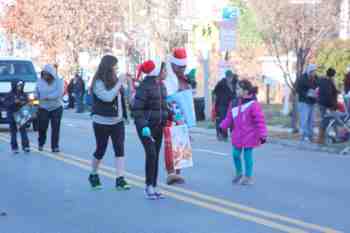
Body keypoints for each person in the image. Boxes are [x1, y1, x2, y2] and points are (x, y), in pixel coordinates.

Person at [88, 55, 130, 191]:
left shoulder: (115, 79)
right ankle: (93, 174)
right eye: (115, 66)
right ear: (108, 67)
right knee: (101, 149)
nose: (116, 69)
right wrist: (119, 83)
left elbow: (121, 98)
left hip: (117, 121)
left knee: (120, 148)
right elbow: (107, 97)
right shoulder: (97, 82)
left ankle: (120, 178)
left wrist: (125, 115)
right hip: (101, 121)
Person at [132, 60, 169, 200]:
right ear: (157, 72)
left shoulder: (162, 86)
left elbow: (162, 107)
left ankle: (153, 185)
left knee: (156, 155)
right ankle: (148, 187)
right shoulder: (145, 86)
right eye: (164, 70)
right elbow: (137, 110)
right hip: (146, 127)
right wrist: (143, 126)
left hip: (159, 126)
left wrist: (173, 115)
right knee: (151, 154)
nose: (166, 73)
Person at [220, 79, 267, 185]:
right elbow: (229, 118)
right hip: (237, 135)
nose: (236, 90)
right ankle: (239, 173)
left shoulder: (253, 104)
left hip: (250, 135)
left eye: (238, 88)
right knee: (235, 154)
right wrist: (222, 126)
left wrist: (263, 134)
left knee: (247, 156)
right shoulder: (233, 103)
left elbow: (260, 120)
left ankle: (248, 177)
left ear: (245, 91)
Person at [162, 47, 196, 185]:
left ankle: (178, 173)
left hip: (181, 116)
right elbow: (166, 96)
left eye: (184, 66)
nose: (182, 69)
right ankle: (171, 173)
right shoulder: (167, 76)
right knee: (170, 143)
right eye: (179, 66)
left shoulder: (183, 78)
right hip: (169, 115)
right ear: (173, 64)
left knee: (181, 143)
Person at [36, 64, 64, 153]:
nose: (45, 76)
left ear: (51, 74)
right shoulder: (39, 81)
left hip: (56, 107)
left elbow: (59, 93)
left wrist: (48, 97)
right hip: (43, 108)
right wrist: (35, 100)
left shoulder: (58, 81)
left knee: (55, 128)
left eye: (46, 74)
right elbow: (36, 92)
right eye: (43, 74)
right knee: (42, 127)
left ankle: (55, 146)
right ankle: (41, 143)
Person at [5, 80, 30, 154]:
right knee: (13, 132)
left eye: (21, 85)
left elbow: (28, 102)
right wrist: (14, 102)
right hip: (12, 114)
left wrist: (23, 103)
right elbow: (6, 104)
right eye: (18, 85)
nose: (20, 87)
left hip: (21, 114)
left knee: (23, 131)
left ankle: (26, 146)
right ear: (14, 86)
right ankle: (14, 148)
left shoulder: (23, 94)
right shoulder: (9, 95)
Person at [213, 70, 238, 141]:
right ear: (226, 77)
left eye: (231, 77)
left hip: (232, 104)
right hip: (222, 104)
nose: (230, 78)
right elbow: (214, 93)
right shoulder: (221, 83)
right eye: (229, 77)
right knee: (223, 119)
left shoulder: (235, 83)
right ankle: (223, 135)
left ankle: (233, 134)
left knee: (233, 119)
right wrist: (214, 104)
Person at [296, 64, 319, 142]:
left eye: (315, 71)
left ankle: (310, 135)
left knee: (311, 120)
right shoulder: (302, 78)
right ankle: (304, 135)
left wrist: (316, 92)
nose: (314, 73)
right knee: (304, 119)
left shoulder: (316, 78)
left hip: (313, 101)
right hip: (304, 102)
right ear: (309, 71)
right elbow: (298, 89)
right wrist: (307, 94)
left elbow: (318, 87)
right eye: (313, 71)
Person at [317, 68, 338, 144]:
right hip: (327, 104)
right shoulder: (328, 82)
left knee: (328, 120)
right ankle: (321, 139)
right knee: (327, 120)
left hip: (323, 103)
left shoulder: (323, 80)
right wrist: (333, 105)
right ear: (332, 75)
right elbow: (329, 94)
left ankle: (324, 137)